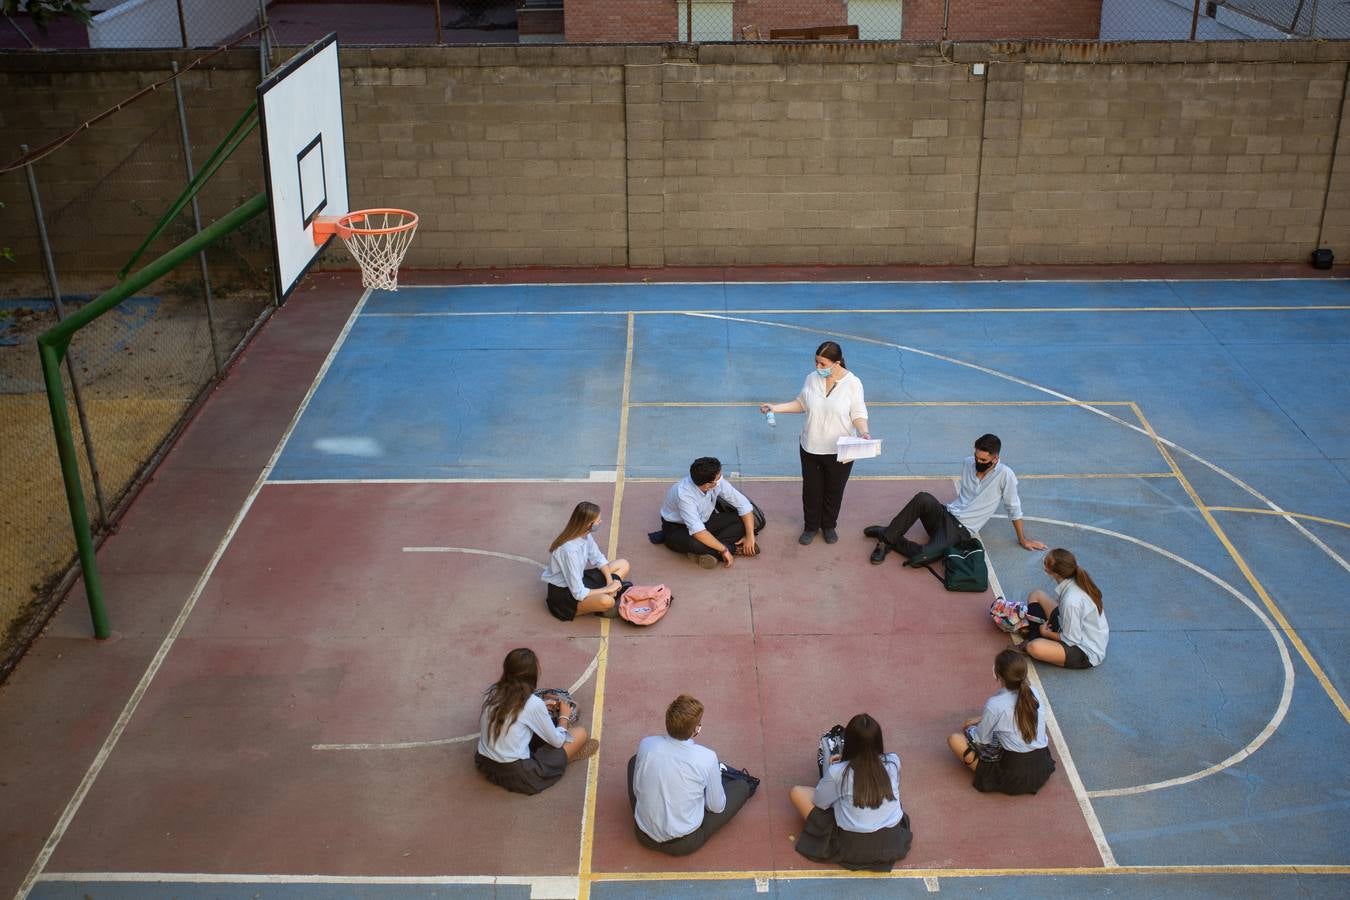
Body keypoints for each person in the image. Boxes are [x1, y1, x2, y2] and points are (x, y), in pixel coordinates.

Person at [865, 433, 1046, 566]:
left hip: (961, 530)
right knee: (923, 498)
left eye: (983, 459)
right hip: (946, 513)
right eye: (976, 456)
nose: (978, 461)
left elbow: (1014, 509)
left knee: (922, 557)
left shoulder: (1006, 476)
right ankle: (886, 541)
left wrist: (1023, 539)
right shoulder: (968, 462)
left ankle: (889, 532)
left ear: (995, 458)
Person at [759, 341, 869, 546]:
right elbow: (801, 403)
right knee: (811, 490)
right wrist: (775, 408)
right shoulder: (812, 378)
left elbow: (858, 414)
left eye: (823, 364)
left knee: (834, 491)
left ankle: (829, 526)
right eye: (816, 362)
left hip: (840, 450)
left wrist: (864, 432)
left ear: (837, 363)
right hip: (810, 446)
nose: (818, 368)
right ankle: (810, 526)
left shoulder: (853, 384)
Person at [628, 694, 756, 855]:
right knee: (741, 787)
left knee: (635, 761)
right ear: (696, 730)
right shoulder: (707, 758)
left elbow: (637, 788)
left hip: (643, 834)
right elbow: (716, 807)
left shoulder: (646, 744)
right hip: (683, 843)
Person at [789, 713, 912, 871]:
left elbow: (820, 803)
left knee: (797, 793)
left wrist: (831, 771)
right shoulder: (894, 761)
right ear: (879, 740)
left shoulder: (839, 771)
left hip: (852, 847)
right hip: (891, 842)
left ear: (849, 743)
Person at [474, 648, 599, 794]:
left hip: (485, 763)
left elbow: (515, 712)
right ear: (533, 674)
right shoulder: (532, 703)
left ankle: (560, 757)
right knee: (580, 734)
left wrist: (541, 708)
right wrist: (563, 716)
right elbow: (557, 741)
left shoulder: (492, 691)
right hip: (519, 775)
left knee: (538, 730)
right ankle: (563, 759)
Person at [946, 648, 1056, 795]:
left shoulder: (994, 704)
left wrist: (971, 730)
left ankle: (991, 775)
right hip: (1042, 766)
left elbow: (981, 740)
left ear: (997, 675)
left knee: (954, 739)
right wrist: (982, 718)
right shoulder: (1033, 692)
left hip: (1014, 776)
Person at [658, 457, 763, 569]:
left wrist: (750, 536)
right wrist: (724, 550)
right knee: (695, 543)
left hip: (704, 521)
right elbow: (697, 532)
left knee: (741, 520)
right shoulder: (684, 495)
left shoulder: (715, 481)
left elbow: (744, 505)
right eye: (718, 477)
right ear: (708, 484)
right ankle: (733, 549)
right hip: (677, 528)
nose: (721, 478)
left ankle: (707, 551)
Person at [541, 501, 631, 621]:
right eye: (598, 520)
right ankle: (608, 598)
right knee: (607, 602)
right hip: (564, 595)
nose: (601, 522)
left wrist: (610, 581)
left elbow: (598, 558)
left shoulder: (585, 535)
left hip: (579, 580)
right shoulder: (569, 551)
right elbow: (577, 592)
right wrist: (607, 589)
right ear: (589, 524)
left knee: (623, 564)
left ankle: (612, 590)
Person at [1023, 548, 1109, 668]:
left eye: (1045, 562)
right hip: (1070, 627)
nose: (1043, 563)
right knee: (1036, 595)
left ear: (1055, 573)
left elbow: (1071, 639)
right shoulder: (1074, 579)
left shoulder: (1071, 600)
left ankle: (1037, 636)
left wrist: (1046, 633)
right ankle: (1036, 635)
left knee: (1033, 647)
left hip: (1084, 650)